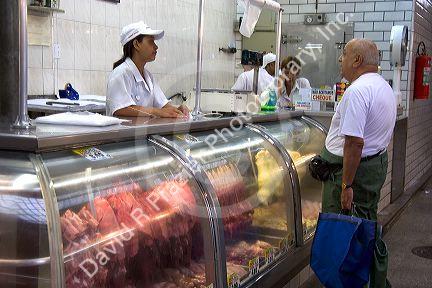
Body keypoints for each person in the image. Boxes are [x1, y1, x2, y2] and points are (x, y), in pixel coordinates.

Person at [321, 38, 397, 221]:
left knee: (340, 229)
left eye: (344, 54)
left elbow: (354, 143)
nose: (341, 59)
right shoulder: (384, 86)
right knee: (364, 224)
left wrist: (346, 186)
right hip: (372, 168)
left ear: (357, 60)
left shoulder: (357, 91)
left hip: (351, 175)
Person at [107, 21, 189, 118]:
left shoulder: (148, 76)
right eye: (151, 42)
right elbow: (119, 109)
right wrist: (156, 112)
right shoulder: (120, 73)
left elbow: (163, 105)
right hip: (124, 132)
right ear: (137, 44)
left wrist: (177, 109)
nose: (156, 47)